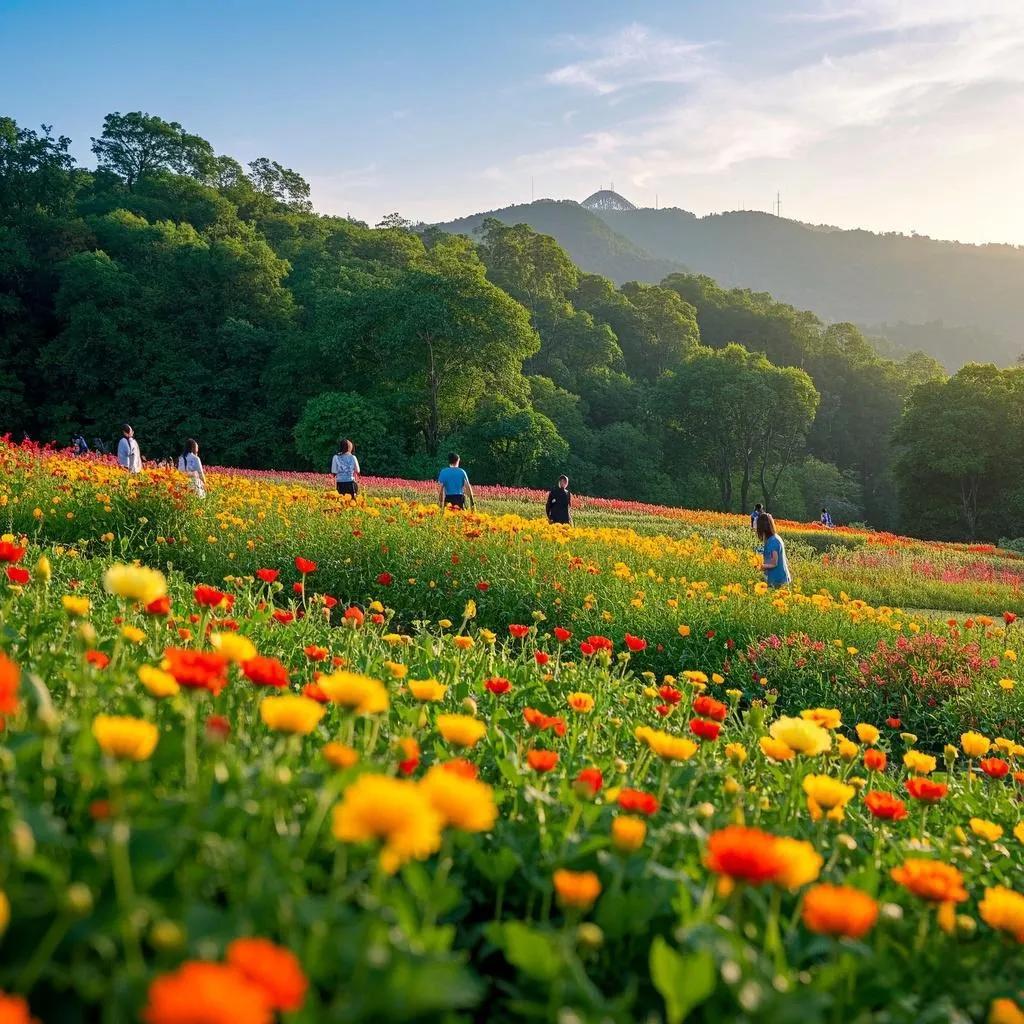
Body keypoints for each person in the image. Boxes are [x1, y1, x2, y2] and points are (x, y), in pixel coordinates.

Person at [756, 513, 791, 589]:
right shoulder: (775, 538)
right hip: (779, 578)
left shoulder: (773, 541)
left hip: (778, 581)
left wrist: (759, 566)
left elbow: (774, 563)